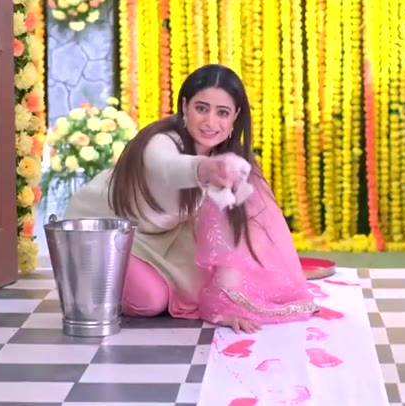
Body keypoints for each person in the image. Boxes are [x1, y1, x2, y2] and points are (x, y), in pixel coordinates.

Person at [64, 64, 317, 333]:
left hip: (163, 238)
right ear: (185, 106)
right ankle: (87, 279)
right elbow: (168, 168)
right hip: (104, 231)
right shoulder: (160, 141)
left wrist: (226, 306)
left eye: (222, 113)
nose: (210, 122)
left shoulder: (232, 160)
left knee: (218, 284)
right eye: (202, 108)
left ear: (235, 116)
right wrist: (204, 170)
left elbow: (240, 233)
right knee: (149, 300)